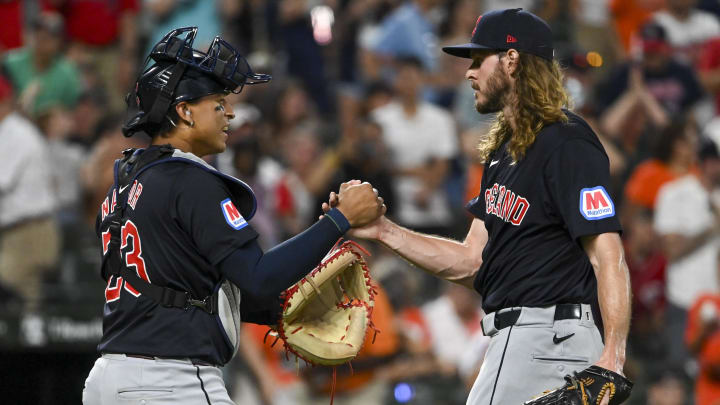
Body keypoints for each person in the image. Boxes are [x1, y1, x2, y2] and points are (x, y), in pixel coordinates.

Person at [325, 9, 632, 404]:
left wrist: (614, 358)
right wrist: (384, 231)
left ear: (511, 59)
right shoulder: (504, 154)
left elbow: (608, 255)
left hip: (545, 340)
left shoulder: (566, 142)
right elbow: (472, 261)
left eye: (477, 60)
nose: (469, 73)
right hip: (532, 341)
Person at [82, 27, 384, 405]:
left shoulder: (124, 187)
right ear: (184, 111)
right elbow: (257, 278)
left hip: (108, 379)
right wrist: (338, 220)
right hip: (171, 380)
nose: (230, 113)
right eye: (218, 103)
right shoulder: (190, 181)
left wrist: (274, 310)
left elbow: (178, 285)